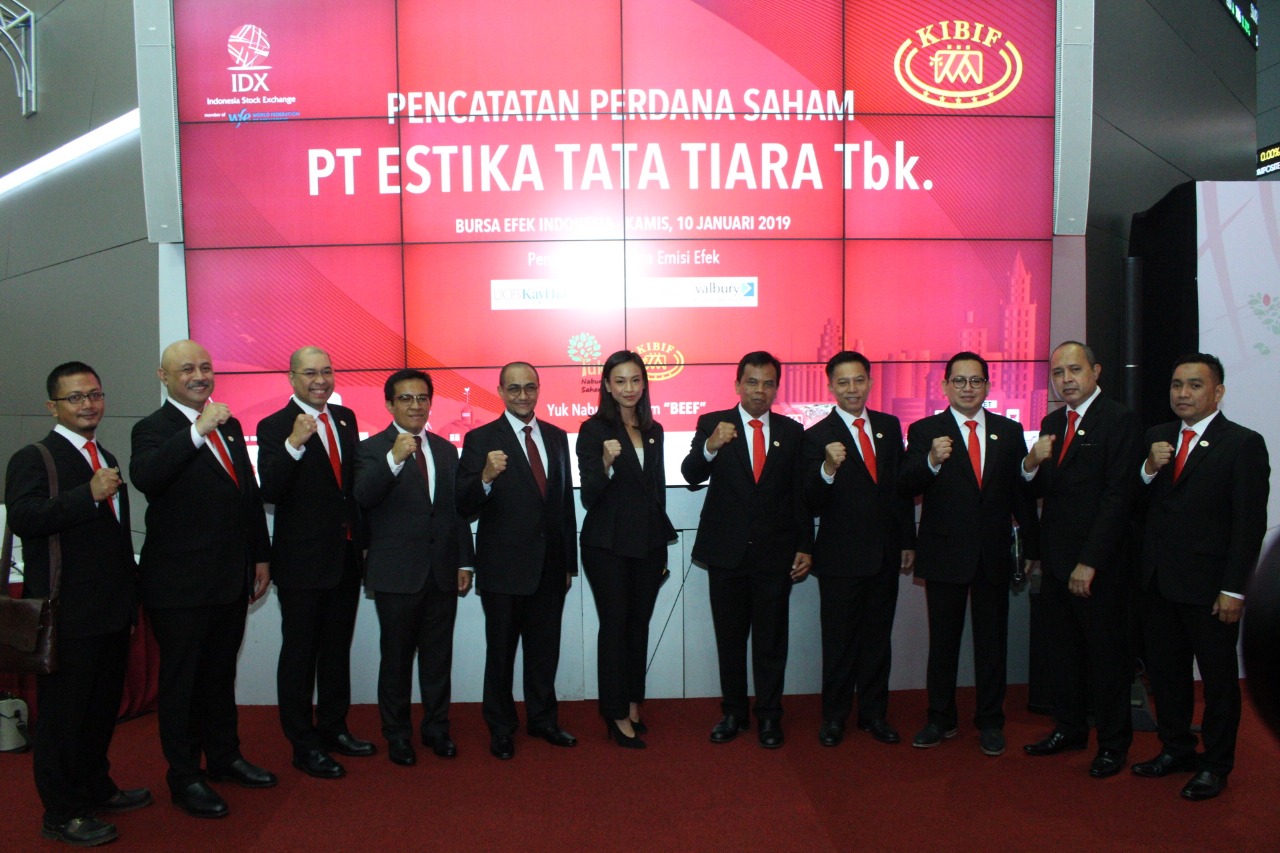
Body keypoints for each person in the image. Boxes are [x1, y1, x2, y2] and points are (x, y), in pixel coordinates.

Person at [5, 363, 150, 846]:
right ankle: (61, 812)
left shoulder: (104, 454)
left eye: (95, 395)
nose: (88, 405)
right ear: (53, 407)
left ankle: (95, 787)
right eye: (75, 398)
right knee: (64, 718)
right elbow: (25, 517)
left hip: (110, 610)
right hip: (67, 613)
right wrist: (86, 494)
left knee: (100, 710)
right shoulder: (35, 457)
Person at [130, 340, 274, 819]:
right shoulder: (152, 429)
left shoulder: (228, 423)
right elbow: (148, 477)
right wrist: (196, 431)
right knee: (182, 684)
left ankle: (225, 757)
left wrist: (260, 555)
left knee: (219, 675)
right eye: (187, 369)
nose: (199, 376)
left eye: (206, 367)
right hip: (179, 586)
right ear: (164, 377)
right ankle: (185, 776)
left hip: (229, 578)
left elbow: (246, 494)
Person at [1132, 353, 1269, 800]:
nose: (1183, 393)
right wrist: (1148, 469)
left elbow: (1248, 525)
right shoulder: (1156, 437)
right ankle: (1175, 748)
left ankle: (1215, 764)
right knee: (1166, 675)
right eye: (1177, 385)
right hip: (1159, 583)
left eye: (1194, 385)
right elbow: (1136, 506)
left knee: (1217, 682)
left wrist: (1234, 589)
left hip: (1211, 589)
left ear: (1218, 392)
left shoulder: (1242, 443)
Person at [899, 351, 1038, 757]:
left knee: (992, 644)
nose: (967, 388)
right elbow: (905, 484)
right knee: (943, 643)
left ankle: (991, 722)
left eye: (976, 381)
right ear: (945, 386)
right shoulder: (925, 431)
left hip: (992, 554)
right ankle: (939, 718)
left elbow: (1020, 494)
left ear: (988, 386)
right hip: (945, 555)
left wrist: (1032, 544)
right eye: (959, 381)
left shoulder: (1008, 431)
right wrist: (931, 461)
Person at [681, 352, 812, 748]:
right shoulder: (713, 423)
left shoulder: (792, 431)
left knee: (771, 641)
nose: (759, 391)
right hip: (727, 553)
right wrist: (710, 446)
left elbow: (800, 495)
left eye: (768, 383)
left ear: (776, 388)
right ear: (737, 384)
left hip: (775, 554)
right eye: (752, 382)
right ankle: (734, 713)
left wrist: (805, 545)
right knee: (730, 640)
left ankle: (770, 716)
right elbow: (690, 474)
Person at [1022, 342, 1139, 778]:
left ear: (1096, 371)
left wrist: (1090, 562)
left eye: (1074, 370)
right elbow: (1040, 491)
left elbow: (1119, 497)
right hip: (1056, 563)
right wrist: (1030, 463)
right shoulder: (1052, 422)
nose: (1066, 380)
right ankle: (1069, 729)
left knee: (1106, 658)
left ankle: (1112, 744)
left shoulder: (1120, 420)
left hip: (1098, 566)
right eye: (1058, 373)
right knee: (1062, 654)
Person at [256, 346, 374, 779]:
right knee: (300, 656)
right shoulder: (273, 426)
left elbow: (350, 491)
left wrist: (364, 542)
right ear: (291, 378)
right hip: (302, 563)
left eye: (326, 371)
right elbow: (270, 489)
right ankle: (303, 744)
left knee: (336, 651)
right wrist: (293, 444)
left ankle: (334, 728)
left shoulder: (345, 418)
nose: (320, 380)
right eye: (309, 373)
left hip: (345, 558)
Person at [457, 362, 578, 761]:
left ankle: (543, 720)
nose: (522, 395)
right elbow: (463, 503)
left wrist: (568, 564)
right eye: (514, 389)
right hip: (503, 569)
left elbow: (563, 505)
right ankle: (501, 727)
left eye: (529, 387)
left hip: (550, 567)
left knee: (545, 652)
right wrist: (485, 477)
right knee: (501, 654)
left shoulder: (557, 437)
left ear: (538, 389)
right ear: (500, 391)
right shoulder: (480, 439)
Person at [354, 369, 474, 767]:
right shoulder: (371, 450)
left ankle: (437, 729)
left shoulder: (445, 450)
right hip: (396, 574)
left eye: (422, 398)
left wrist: (464, 560)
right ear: (390, 404)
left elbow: (455, 511)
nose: (415, 405)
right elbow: (364, 497)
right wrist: (394, 459)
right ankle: (397, 734)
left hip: (441, 571)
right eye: (406, 398)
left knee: (438, 658)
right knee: (397, 660)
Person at [801, 351, 915, 748]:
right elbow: (809, 499)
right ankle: (834, 718)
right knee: (839, 643)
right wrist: (827, 469)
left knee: (877, 641)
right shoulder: (816, 435)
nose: (852, 389)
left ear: (870, 382)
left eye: (859, 380)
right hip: (840, 559)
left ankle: (874, 714)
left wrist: (907, 540)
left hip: (885, 554)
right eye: (843, 382)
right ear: (830, 387)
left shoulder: (888, 425)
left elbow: (899, 490)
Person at [577, 350, 677, 749]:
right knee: (615, 627)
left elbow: (657, 492)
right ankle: (615, 714)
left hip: (648, 545)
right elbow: (589, 496)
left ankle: (634, 704)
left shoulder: (655, 430)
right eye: (620, 381)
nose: (629, 388)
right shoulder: (592, 430)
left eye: (635, 380)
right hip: (607, 546)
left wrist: (662, 549)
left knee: (639, 626)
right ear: (606, 385)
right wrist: (604, 463)